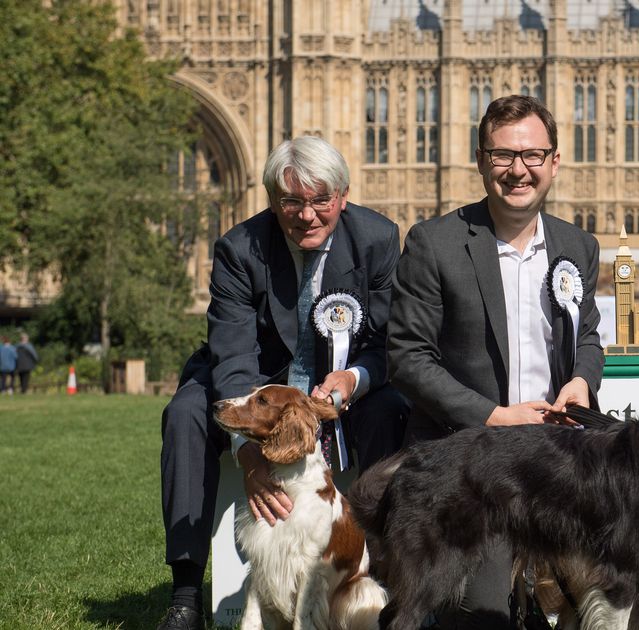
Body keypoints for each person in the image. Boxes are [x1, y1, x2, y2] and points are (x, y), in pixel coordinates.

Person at [157, 136, 409, 630]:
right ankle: (186, 592)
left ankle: (383, 572)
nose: (307, 215)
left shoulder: (378, 239)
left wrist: (352, 380)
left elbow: (387, 344)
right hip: (260, 384)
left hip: (341, 385)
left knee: (392, 407)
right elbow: (232, 354)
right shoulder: (239, 247)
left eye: (321, 201)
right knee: (186, 410)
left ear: (343, 194)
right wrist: (247, 452)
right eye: (292, 202)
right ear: (273, 200)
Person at [388, 95, 604, 628]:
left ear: (553, 162)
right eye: (503, 155)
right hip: (469, 460)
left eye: (532, 155)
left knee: (620, 584)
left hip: (558, 455)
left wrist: (581, 380)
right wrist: (494, 416)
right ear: (482, 161)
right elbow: (408, 358)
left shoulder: (578, 246)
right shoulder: (434, 244)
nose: (518, 170)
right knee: (484, 614)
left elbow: (590, 337)